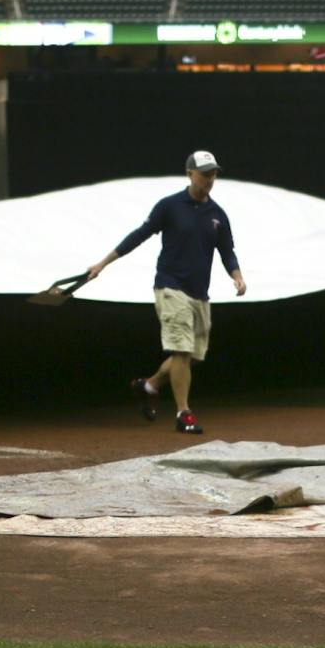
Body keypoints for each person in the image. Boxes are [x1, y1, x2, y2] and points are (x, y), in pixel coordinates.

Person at [84, 150, 245, 436]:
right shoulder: (170, 206)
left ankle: (149, 386)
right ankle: (184, 413)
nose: (210, 178)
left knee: (193, 356)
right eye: (204, 173)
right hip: (170, 286)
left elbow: (227, 251)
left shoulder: (217, 215)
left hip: (200, 294)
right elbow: (139, 235)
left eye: (213, 173)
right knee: (181, 350)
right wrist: (102, 263)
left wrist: (237, 277)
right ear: (189, 174)